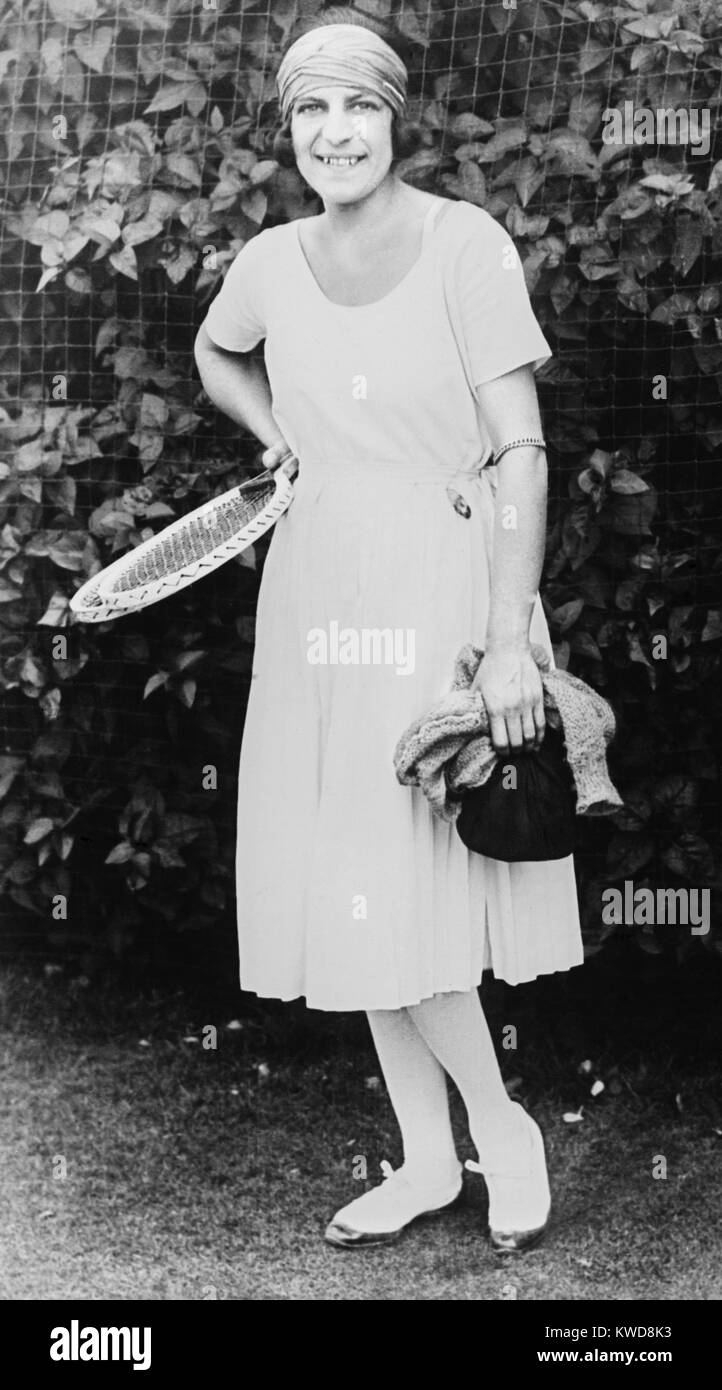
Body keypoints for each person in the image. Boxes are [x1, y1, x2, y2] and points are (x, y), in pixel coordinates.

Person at [194, 6, 584, 1254]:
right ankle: (425, 1158)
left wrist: (510, 633)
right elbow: (215, 351)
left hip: (438, 581)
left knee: (408, 884)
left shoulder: (463, 243)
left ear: (394, 118)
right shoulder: (267, 261)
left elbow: (520, 443)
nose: (333, 132)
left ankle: (497, 1126)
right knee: (361, 888)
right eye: (309, 109)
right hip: (315, 592)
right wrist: (274, 436)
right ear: (289, 130)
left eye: (356, 104)